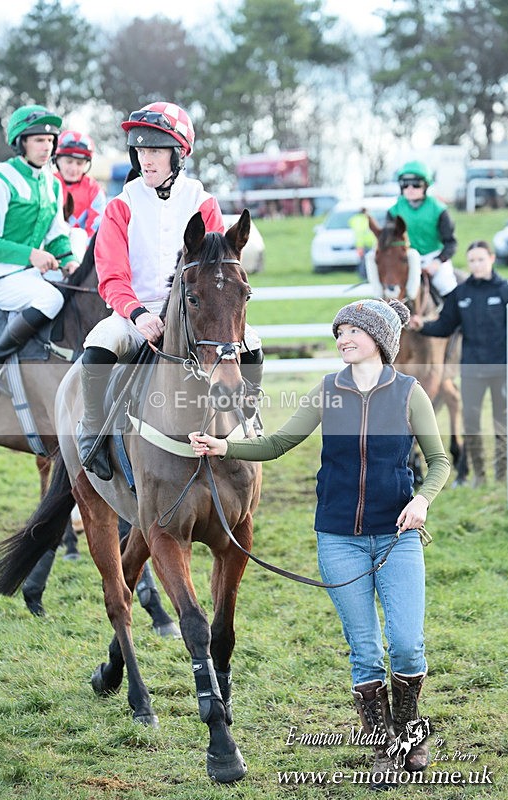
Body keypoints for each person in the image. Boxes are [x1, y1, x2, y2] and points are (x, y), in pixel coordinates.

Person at [190, 298, 450, 787]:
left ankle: (410, 730)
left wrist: (422, 501)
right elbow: (279, 443)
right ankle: (383, 746)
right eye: (339, 333)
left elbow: (438, 462)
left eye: (352, 331)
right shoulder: (329, 390)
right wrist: (226, 445)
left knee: (409, 647)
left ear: (379, 339)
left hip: (398, 536)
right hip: (338, 539)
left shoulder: (409, 393)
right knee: (367, 651)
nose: (343, 340)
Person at [77, 101, 263, 481]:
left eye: (156, 150)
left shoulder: (202, 201)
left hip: (196, 313)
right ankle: (92, 431)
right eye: (141, 150)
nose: (146, 159)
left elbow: (219, 268)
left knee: (254, 343)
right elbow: (111, 275)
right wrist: (137, 314)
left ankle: (250, 417)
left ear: (178, 155)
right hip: (137, 313)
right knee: (97, 344)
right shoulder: (120, 205)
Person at [0, 104, 80, 392]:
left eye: (50, 141)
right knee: (51, 300)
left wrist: (70, 261)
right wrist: (31, 255)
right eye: (38, 140)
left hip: (26, 274)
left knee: (76, 290)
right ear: (21, 142)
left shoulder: (53, 184)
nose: (46, 147)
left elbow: (58, 236)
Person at [411, 241, 508, 487]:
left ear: (491, 258)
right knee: (472, 421)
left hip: (501, 368)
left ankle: (503, 474)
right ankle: (478, 475)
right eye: (472, 261)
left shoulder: (505, 290)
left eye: (480, 259)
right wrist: (422, 325)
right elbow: (445, 325)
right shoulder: (461, 293)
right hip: (471, 369)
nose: (476, 265)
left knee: (502, 420)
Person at [386, 160, 458, 298]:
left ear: (425, 185)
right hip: (406, 259)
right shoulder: (393, 211)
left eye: (416, 184)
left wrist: (437, 261)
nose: (410, 188)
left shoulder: (439, 209)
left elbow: (451, 243)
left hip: (434, 258)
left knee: (446, 285)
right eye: (405, 184)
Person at [53, 130, 106, 257]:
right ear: (57, 160)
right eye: (69, 161)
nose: (74, 168)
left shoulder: (94, 190)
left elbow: (96, 230)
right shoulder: (47, 183)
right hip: (50, 250)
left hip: (81, 253)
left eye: (79, 163)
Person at [348, 207, 375, 278]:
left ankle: (365, 276)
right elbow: (360, 234)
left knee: (364, 261)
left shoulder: (356, 220)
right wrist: (360, 246)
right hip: (365, 244)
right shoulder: (362, 220)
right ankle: (364, 276)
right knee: (365, 261)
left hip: (363, 244)